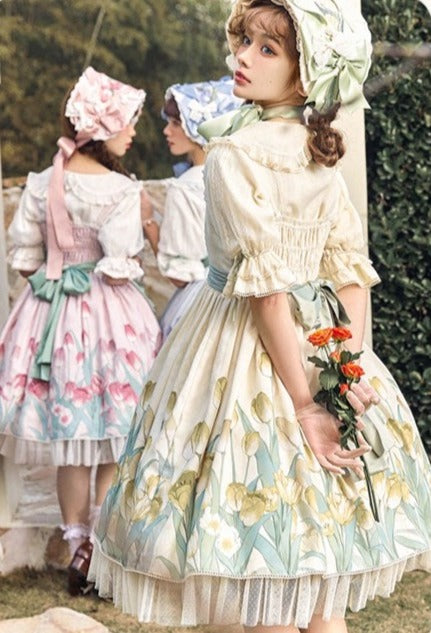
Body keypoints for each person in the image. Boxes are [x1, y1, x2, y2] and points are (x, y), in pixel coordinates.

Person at [89, 1, 431, 631]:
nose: (241, 57)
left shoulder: (233, 153)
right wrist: (346, 372)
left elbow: (269, 294)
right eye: (244, 41)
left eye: (267, 49)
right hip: (320, 343)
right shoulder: (316, 150)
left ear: (306, 73)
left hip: (244, 355)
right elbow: (350, 277)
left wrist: (307, 404)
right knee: (317, 573)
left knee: (260, 575)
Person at [0, 67, 161, 595]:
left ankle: (77, 546)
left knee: (72, 440)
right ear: (103, 127)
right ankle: (101, 549)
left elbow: (25, 254)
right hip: (109, 317)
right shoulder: (120, 189)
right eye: (126, 123)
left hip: (51, 313)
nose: (132, 132)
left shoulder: (45, 180)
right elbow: (120, 260)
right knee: (113, 435)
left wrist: (56, 274)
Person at [142, 77, 242, 340]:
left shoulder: (186, 188)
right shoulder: (239, 178)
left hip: (201, 301)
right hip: (241, 299)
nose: (167, 131)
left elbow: (179, 275)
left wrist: (149, 225)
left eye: (176, 123)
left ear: (201, 127)